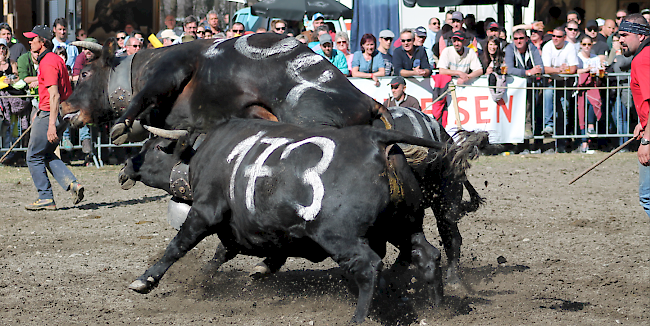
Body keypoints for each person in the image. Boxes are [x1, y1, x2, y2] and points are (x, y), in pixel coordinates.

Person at [22, 25, 84, 210]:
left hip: (51, 113)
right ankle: (73, 184)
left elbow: (54, 95)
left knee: (33, 156)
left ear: (43, 42)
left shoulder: (47, 62)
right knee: (46, 153)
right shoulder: (56, 59)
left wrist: (49, 124)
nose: (30, 42)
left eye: (33, 39)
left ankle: (46, 197)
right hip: (61, 113)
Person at [619, 14, 650, 217]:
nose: (620, 40)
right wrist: (643, 123)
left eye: (624, 35)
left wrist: (647, 139)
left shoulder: (642, 60)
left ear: (639, 36)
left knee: (647, 196)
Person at [541, 26, 579, 152]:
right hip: (551, 82)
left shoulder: (570, 47)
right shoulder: (547, 46)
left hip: (565, 83)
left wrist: (556, 70)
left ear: (564, 38)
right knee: (547, 94)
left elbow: (573, 69)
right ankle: (548, 125)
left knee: (564, 110)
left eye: (558, 37)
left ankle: (561, 143)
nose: (555, 39)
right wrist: (559, 69)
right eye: (553, 36)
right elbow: (545, 69)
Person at [505, 29, 544, 142]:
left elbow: (540, 66)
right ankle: (521, 143)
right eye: (516, 39)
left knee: (535, 113)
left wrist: (535, 71)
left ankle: (537, 142)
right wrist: (527, 72)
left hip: (532, 86)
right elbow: (509, 69)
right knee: (519, 114)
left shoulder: (532, 48)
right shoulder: (510, 48)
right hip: (515, 87)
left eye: (521, 38)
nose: (518, 41)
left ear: (526, 39)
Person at [575, 35, 602, 152]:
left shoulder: (595, 58)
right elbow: (574, 70)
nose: (586, 47)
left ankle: (590, 133)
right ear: (580, 45)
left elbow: (600, 71)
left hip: (593, 87)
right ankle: (584, 143)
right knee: (581, 115)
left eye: (589, 44)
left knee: (594, 104)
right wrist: (586, 70)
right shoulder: (577, 57)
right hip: (581, 89)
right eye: (584, 44)